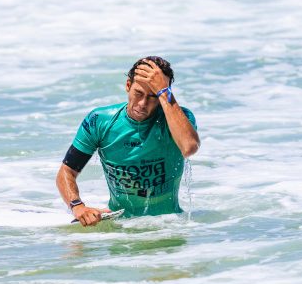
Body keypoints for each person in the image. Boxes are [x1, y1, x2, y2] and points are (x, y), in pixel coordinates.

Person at [56, 56, 200, 226]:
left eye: (153, 96)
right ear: (127, 86)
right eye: (138, 93)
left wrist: (165, 93)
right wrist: (78, 206)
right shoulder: (100, 121)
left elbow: (189, 147)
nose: (143, 103)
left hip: (169, 226)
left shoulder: (179, 119)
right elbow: (67, 172)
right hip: (122, 229)